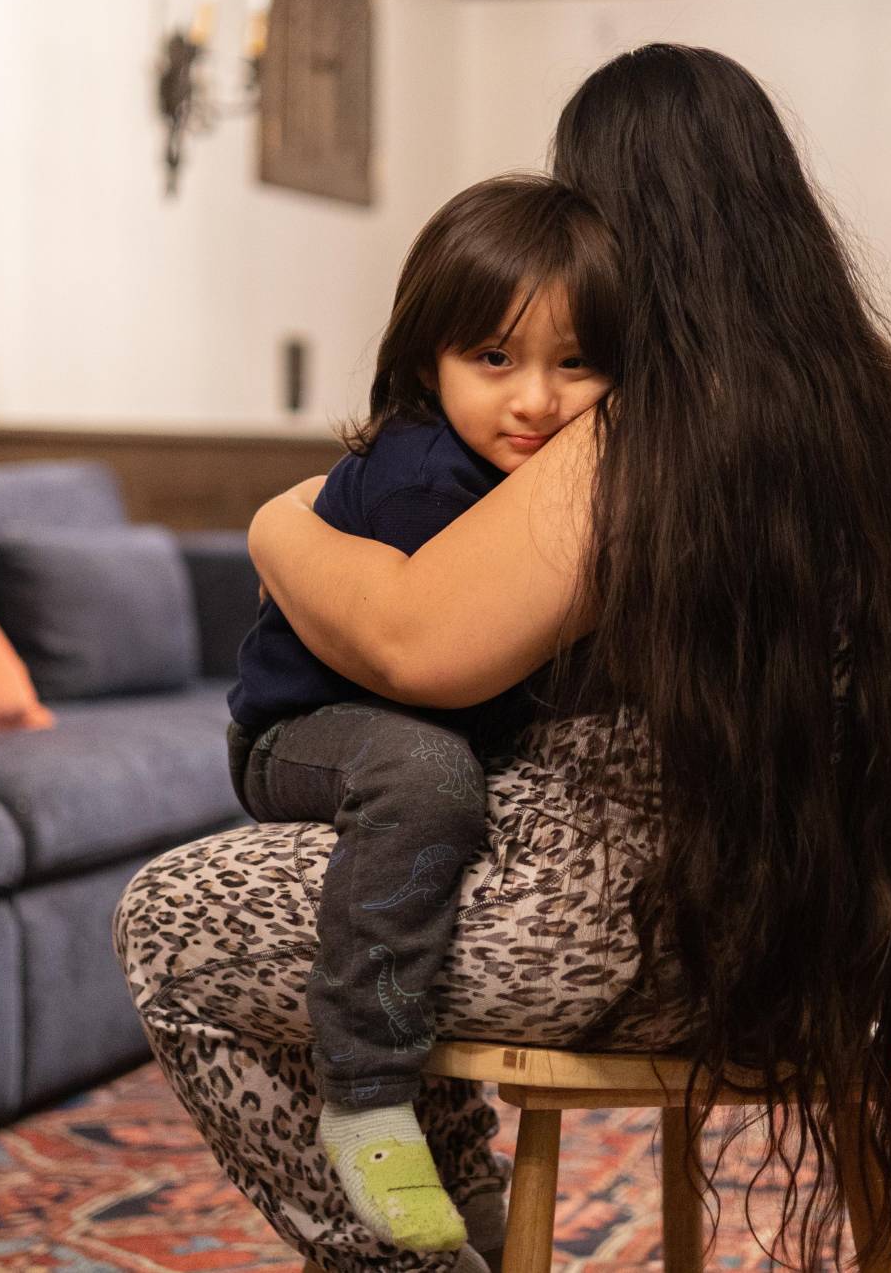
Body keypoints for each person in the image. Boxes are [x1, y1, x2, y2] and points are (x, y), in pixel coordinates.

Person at [115, 43, 891, 1273]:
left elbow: (415, 642)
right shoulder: (866, 420)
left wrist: (276, 525)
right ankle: (458, 1214)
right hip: (814, 927)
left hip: (622, 928)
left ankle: (413, 1263)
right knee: (383, 878)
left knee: (171, 921)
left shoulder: (654, 435)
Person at [222, 174, 619, 1255]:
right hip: (302, 731)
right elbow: (441, 666)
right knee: (429, 778)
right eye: (494, 358)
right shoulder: (419, 484)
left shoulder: (549, 477)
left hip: (421, 729)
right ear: (427, 362)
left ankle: (466, 1195)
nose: (534, 400)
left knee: (444, 812)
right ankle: (363, 1091)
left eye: (575, 363)